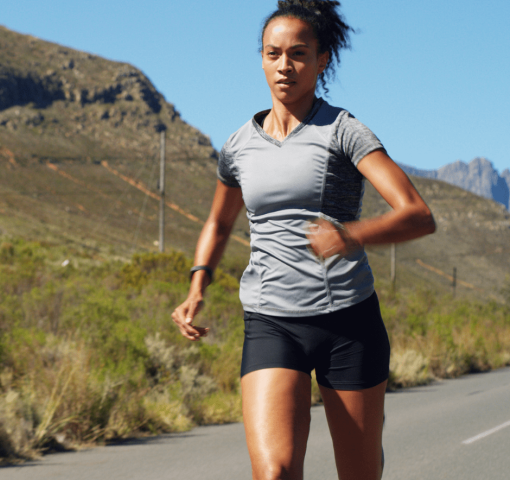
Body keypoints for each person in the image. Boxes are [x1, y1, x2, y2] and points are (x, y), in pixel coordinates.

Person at [170, 1, 436, 479]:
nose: (284, 66)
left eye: (298, 53)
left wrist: (351, 234)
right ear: (261, 58)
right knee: (274, 472)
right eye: (273, 53)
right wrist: (197, 286)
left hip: (347, 323)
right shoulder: (238, 145)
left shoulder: (343, 131)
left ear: (322, 59)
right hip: (272, 321)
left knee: (358, 473)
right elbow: (219, 224)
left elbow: (418, 215)